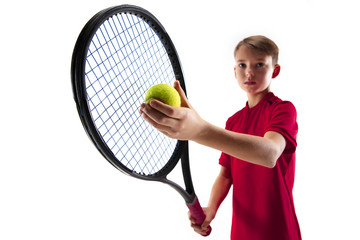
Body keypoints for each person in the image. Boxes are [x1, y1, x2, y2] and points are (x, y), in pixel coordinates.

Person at [139, 35, 301, 240]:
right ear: (234, 71)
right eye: (242, 65)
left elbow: (269, 153)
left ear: (275, 71)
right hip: (241, 232)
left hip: (278, 232)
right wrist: (211, 209)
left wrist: (199, 131)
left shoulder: (283, 110)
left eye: (259, 64)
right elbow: (226, 175)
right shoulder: (233, 122)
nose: (249, 72)